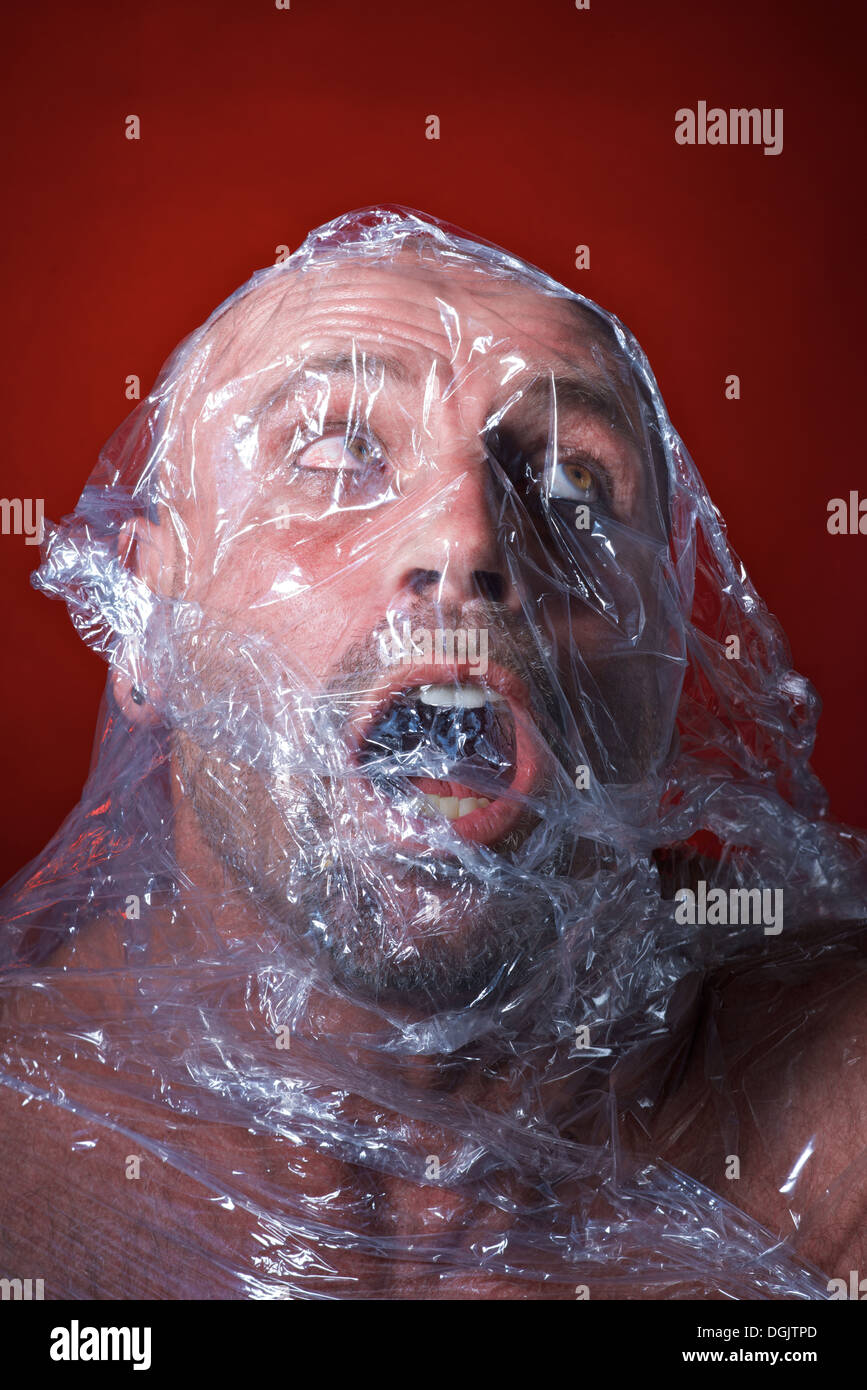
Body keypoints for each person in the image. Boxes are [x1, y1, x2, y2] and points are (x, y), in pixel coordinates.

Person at [1, 205, 865, 1300]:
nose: (465, 536)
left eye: (571, 487)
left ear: (670, 645)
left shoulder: (844, 1145)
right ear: (143, 623)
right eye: (328, 453)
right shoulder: (19, 1152)